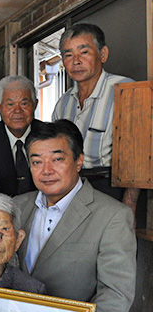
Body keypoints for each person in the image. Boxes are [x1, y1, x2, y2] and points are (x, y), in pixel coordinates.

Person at [16, 119, 136, 312]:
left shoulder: (112, 216)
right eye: (36, 162)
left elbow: (116, 295)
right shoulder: (16, 207)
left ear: (79, 161)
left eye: (57, 159)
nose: (46, 171)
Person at [52, 23, 138, 212]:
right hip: (70, 189)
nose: (76, 61)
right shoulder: (63, 103)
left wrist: (129, 204)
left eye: (84, 52)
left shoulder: (124, 90)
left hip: (108, 188)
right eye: (68, 55)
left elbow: (137, 155)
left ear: (103, 54)